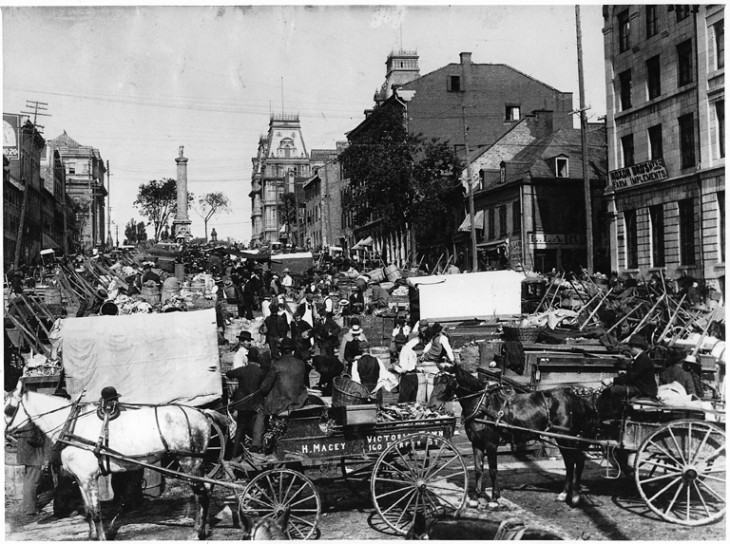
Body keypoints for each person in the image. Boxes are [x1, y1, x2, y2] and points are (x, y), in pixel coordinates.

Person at [250, 338, 309, 462]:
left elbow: (265, 387)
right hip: (298, 401)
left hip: (281, 403)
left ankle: (256, 446)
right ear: (293, 351)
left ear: (281, 352)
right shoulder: (301, 364)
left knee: (261, 412)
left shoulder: (276, 365)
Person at [601, 336, 657, 417]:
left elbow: (630, 378)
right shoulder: (641, 358)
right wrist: (623, 374)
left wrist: (611, 380)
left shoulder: (643, 360)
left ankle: (613, 415)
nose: (630, 349)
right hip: (641, 387)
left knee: (613, 390)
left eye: (631, 347)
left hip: (644, 389)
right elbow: (633, 375)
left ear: (637, 347)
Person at [225, 351, 267, 458]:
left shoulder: (243, 370)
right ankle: (255, 452)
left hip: (243, 404)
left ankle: (235, 454)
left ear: (248, 359)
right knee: (255, 428)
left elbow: (229, 373)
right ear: (257, 360)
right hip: (255, 405)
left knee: (240, 429)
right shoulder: (261, 372)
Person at [16, 422, 48, 522]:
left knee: (28, 482)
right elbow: (31, 438)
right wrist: (44, 440)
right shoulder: (30, 422)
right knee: (32, 483)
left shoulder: (22, 421)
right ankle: (31, 512)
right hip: (33, 456)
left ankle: (29, 508)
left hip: (28, 456)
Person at [393, 336, 423, 403]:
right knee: (412, 401)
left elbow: (403, 369)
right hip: (414, 377)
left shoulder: (404, 351)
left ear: (399, 344)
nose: (395, 346)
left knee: (403, 401)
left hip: (407, 378)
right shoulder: (411, 350)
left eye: (396, 344)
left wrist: (395, 367)